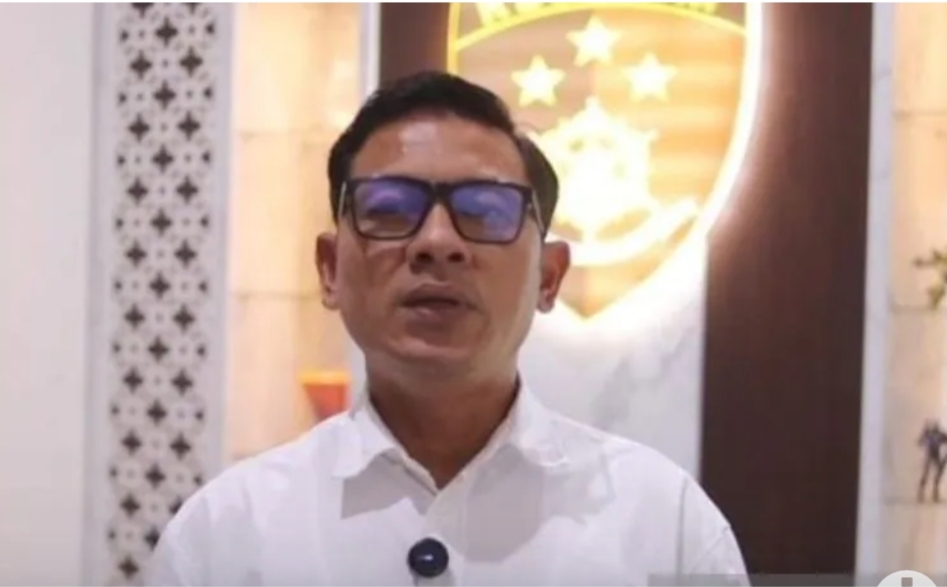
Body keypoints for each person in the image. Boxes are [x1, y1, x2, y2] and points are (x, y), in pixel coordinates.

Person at [145, 71, 747, 586]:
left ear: (549, 277)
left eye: (485, 211)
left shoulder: (665, 525)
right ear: (330, 270)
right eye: (389, 209)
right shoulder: (224, 536)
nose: (437, 242)